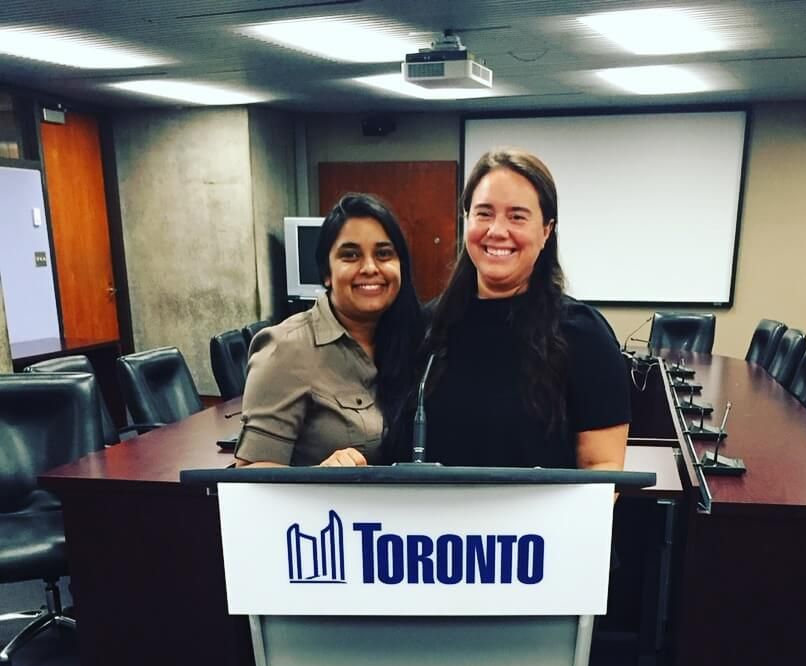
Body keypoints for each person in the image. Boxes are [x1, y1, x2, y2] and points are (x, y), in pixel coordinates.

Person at [420, 148, 630, 469]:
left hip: (540, 521)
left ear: (546, 230)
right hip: (434, 519)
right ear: (466, 220)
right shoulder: (428, 327)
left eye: (517, 216)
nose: (497, 231)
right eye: (484, 213)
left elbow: (602, 468)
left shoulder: (585, 336)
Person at [234, 192, 423, 468]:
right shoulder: (286, 348)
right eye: (350, 255)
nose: (370, 268)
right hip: (331, 512)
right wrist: (319, 476)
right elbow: (251, 476)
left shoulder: (418, 338)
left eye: (384, 254)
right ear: (326, 273)